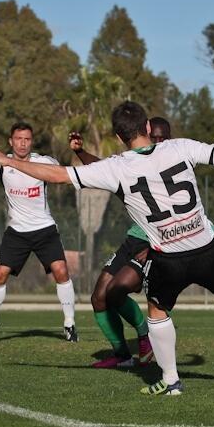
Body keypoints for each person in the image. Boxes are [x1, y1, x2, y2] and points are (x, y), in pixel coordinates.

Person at [0, 95, 214, 396]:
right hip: (207, 248)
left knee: (156, 313)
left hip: (168, 257)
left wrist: (7, 161)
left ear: (118, 136)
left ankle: (171, 381)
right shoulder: (179, 147)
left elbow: (57, 175)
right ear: (146, 127)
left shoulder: (115, 167)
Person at [0, 114, 78, 342]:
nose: (22, 143)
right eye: (18, 138)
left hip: (45, 229)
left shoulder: (44, 162)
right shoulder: (1, 162)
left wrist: (77, 151)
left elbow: (68, 174)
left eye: (27, 139)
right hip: (17, 232)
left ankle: (70, 324)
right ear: (11, 141)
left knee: (61, 271)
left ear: (31, 141)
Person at [67, 116, 171, 368]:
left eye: (161, 137)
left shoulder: (174, 164)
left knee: (116, 290)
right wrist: (80, 152)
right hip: (134, 238)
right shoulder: (132, 162)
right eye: (153, 136)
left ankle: (145, 333)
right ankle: (123, 355)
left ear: (168, 139)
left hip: (158, 243)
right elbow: (102, 168)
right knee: (99, 297)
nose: (155, 141)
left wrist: (156, 247)